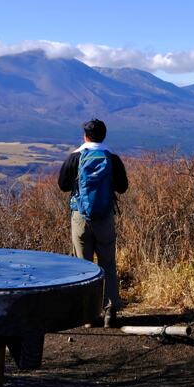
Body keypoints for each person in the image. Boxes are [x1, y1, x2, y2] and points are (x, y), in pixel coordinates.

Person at [58, 118, 128, 327]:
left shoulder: (75, 157)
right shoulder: (112, 158)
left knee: (83, 265)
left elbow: (62, 185)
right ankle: (109, 311)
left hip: (80, 217)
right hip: (105, 217)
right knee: (108, 263)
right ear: (104, 135)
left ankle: (88, 315)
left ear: (85, 136)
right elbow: (123, 187)